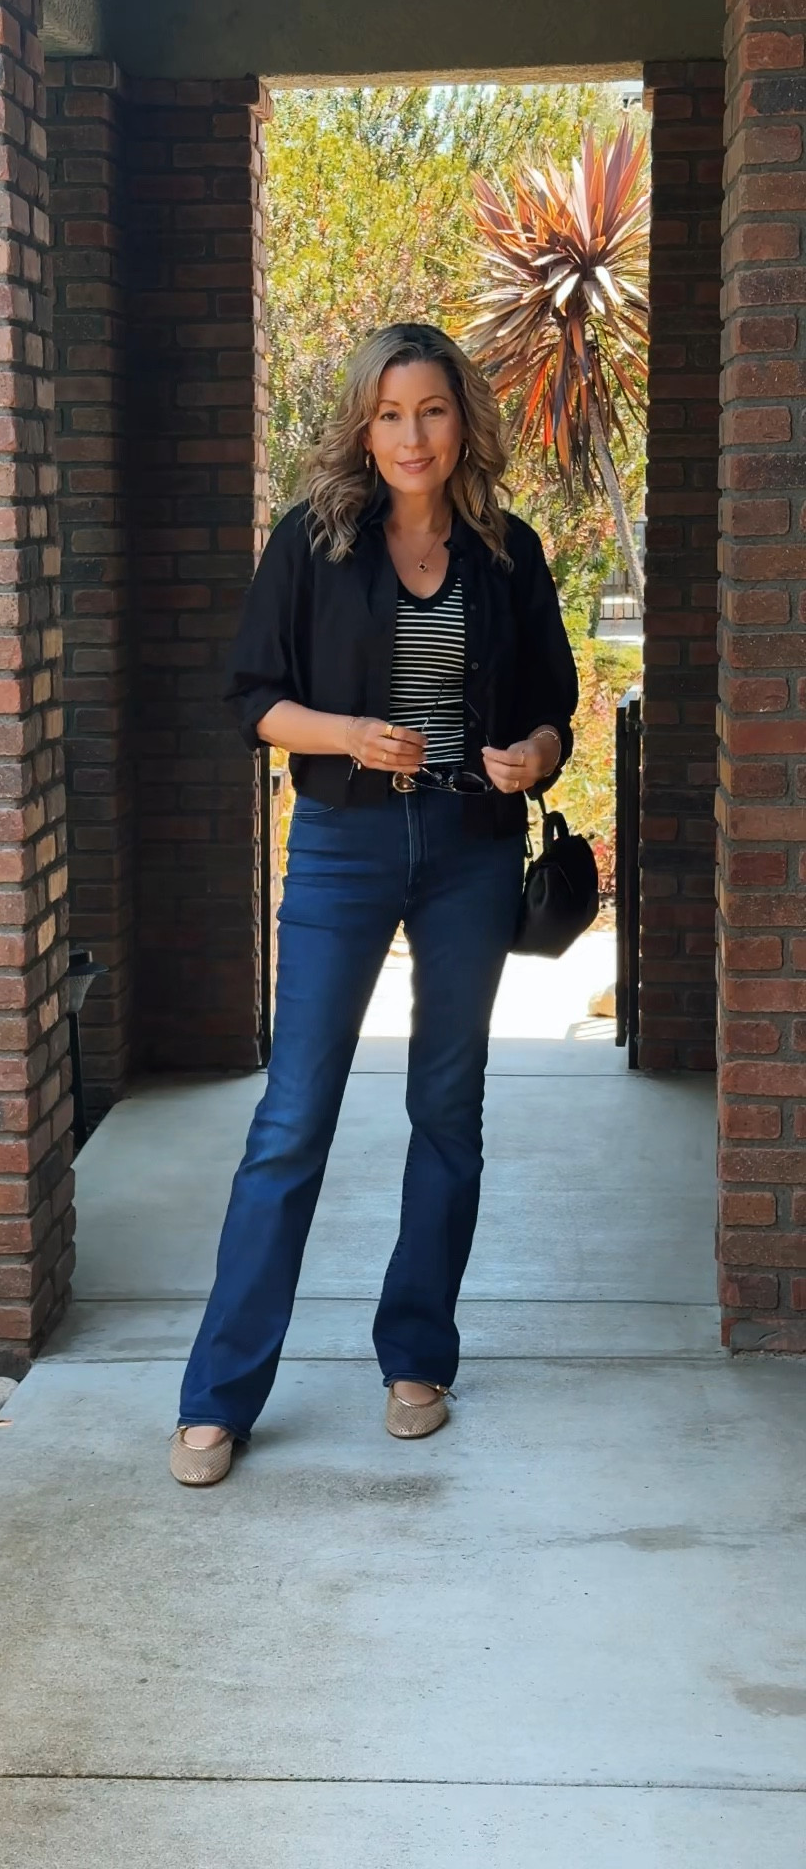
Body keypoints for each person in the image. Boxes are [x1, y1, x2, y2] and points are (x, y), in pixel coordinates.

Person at [169, 321, 579, 1487]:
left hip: (469, 847)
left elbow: (553, 704)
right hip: (344, 844)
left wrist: (532, 757)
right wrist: (348, 733)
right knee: (294, 1117)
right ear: (364, 423)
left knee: (447, 1109)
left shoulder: (511, 553)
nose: (414, 435)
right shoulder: (311, 543)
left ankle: (417, 1357)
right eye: (392, 413)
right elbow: (251, 698)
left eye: (434, 412)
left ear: (463, 423)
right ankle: (219, 1395)